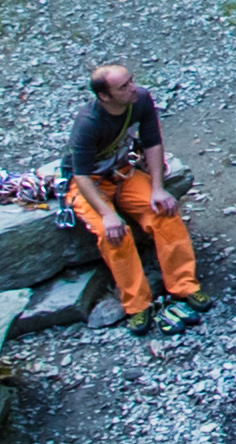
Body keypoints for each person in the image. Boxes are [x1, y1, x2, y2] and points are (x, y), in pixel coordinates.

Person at [64, 61, 207, 336]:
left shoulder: (140, 99)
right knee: (114, 235)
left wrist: (157, 188)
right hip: (91, 184)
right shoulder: (88, 123)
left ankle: (184, 285)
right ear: (105, 96)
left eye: (131, 81)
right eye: (124, 86)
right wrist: (107, 215)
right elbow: (80, 175)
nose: (133, 88)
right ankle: (137, 304)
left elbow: (153, 141)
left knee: (164, 213)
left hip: (123, 173)